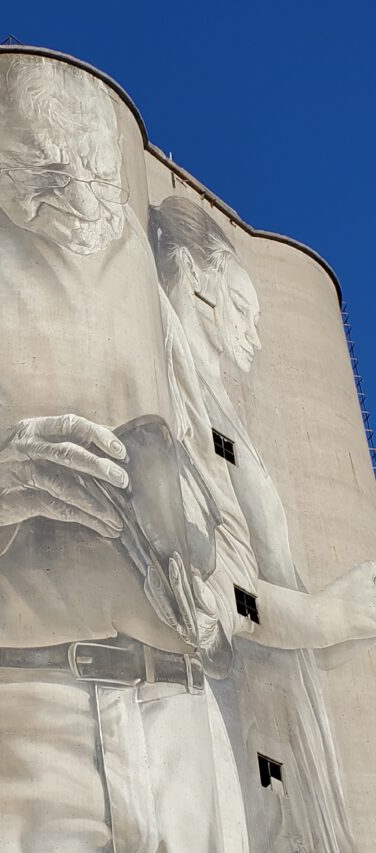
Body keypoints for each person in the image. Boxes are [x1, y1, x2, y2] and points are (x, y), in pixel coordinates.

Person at [0, 55, 231, 852]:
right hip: (1, 730)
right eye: (49, 176)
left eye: (100, 170)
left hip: (179, 729)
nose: (90, 202)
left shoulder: (137, 247)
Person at [150, 195, 376, 852]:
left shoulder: (219, 403)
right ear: (198, 277)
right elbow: (217, 586)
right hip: (234, 721)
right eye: (243, 309)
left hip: (276, 723)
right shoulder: (170, 381)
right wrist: (329, 615)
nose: (253, 332)